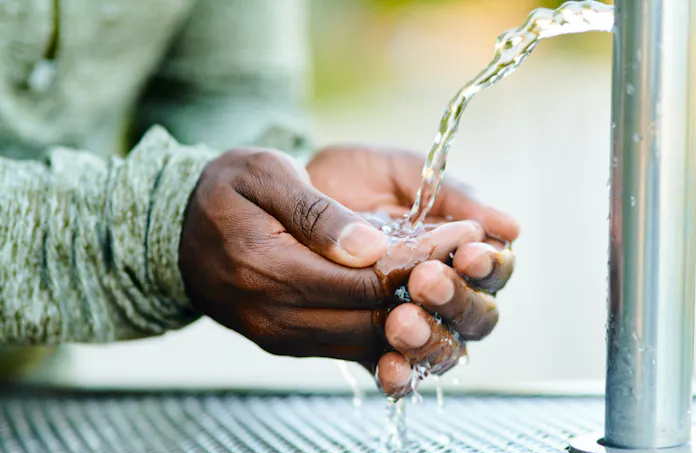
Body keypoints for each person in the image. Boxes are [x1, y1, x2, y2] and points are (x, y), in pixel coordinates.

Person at [0, 0, 519, 396]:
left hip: (37, 396)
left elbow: (226, 91)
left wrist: (291, 197)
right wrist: (160, 224)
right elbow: (174, 211)